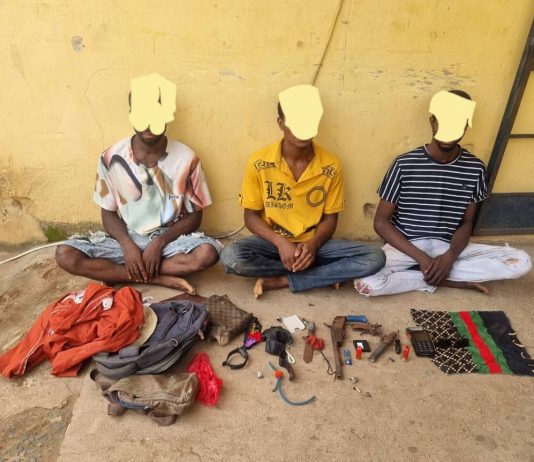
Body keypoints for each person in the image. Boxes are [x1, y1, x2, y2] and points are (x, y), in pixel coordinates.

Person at [355, 90, 531, 297]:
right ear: (432, 121)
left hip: (447, 246)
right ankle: (448, 279)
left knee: (521, 262)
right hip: (407, 246)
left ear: (465, 126)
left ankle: (433, 272)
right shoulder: (404, 164)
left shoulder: (475, 169)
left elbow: (467, 223)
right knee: (365, 282)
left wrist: (450, 257)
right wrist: (422, 258)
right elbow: (381, 223)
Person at [56, 74, 220, 292]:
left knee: (206, 254)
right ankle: (159, 278)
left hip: (170, 240)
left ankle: (123, 274)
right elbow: (108, 212)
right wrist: (127, 246)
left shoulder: (187, 159)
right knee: (66, 255)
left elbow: (195, 216)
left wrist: (159, 243)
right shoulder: (111, 157)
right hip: (127, 236)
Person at [220, 84, 385, 297]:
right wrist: (281, 243)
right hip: (272, 244)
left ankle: (285, 279)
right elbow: (250, 216)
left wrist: (313, 244)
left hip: (315, 245)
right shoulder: (259, 162)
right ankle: (321, 274)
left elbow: (330, 219)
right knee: (231, 257)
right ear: (281, 123)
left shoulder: (330, 165)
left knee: (375, 257)